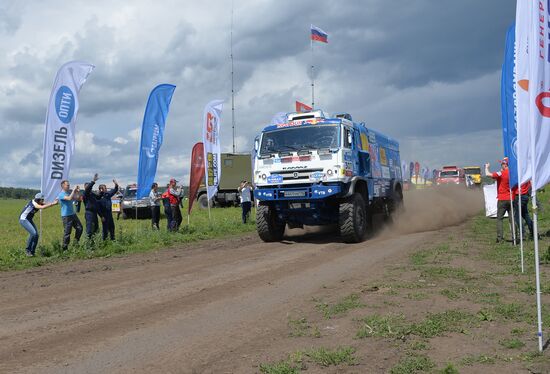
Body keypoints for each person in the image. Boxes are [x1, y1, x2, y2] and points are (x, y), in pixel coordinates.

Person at [485, 158, 512, 243]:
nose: (501, 165)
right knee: (512, 219)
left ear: (505, 164)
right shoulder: (512, 173)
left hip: (502, 199)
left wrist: (486, 167)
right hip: (511, 198)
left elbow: (488, 174)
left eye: (502, 164)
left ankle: (500, 238)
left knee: (500, 219)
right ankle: (515, 237)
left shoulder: (501, 173)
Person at [58, 180, 83, 250]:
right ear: (63, 186)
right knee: (67, 232)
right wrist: (73, 190)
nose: (69, 186)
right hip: (66, 216)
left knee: (80, 228)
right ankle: (64, 248)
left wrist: (77, 191)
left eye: (69, 185)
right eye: (67, 185)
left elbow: (77, 198)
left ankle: (75, 243)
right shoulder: (61, 194)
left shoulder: (69, 193)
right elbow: (69, 199)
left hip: (73, 214)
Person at [82, 173, 102, 240]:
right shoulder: (85, 194)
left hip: (94, 213)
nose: (90, 188)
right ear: (85, 188)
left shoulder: (92, 193)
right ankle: (88, 244)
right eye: (88, 187)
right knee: (89, 229)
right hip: (89, 213)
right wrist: (93, 181)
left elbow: (98, 197)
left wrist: (101, 192)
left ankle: (95, 243)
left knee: (96, 228)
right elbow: (88, 189)